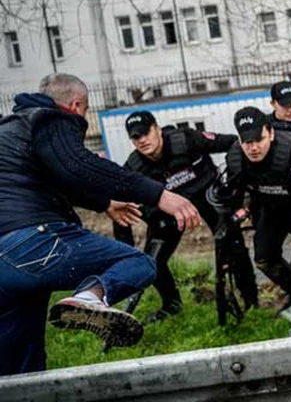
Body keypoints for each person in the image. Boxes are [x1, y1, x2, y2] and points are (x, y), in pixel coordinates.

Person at [0, 74, 201, 376]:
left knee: (20, 359)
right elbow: (76, 165)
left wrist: (104, 203)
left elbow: (55, 176)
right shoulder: (50, 118)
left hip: (5, 262)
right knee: (139, 262)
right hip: (32, 240)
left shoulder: (13, 129)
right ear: (77, 105)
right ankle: (89, 298)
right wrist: (158, 195)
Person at [113, 111, 258, 322]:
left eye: (146, 133)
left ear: (157, 129)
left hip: (207, 198)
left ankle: (251, 301)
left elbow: (234, 143)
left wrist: (236, 182)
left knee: (233, 246)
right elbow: (121, 208)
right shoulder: (134, 168)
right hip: (170, 215)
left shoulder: (188, 139)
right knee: (151, 262)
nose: (143, 140)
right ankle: (171, 306)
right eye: (136, 137)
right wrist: (125, 253)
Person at [217, 106, 291, 311]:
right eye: (247, 142)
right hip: (271, 206)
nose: (254, 148)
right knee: (263, 257)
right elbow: (234, 197)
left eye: (259, 140)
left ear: (270, 134)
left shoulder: (290, 151)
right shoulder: (236, 158)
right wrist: (242, 210)